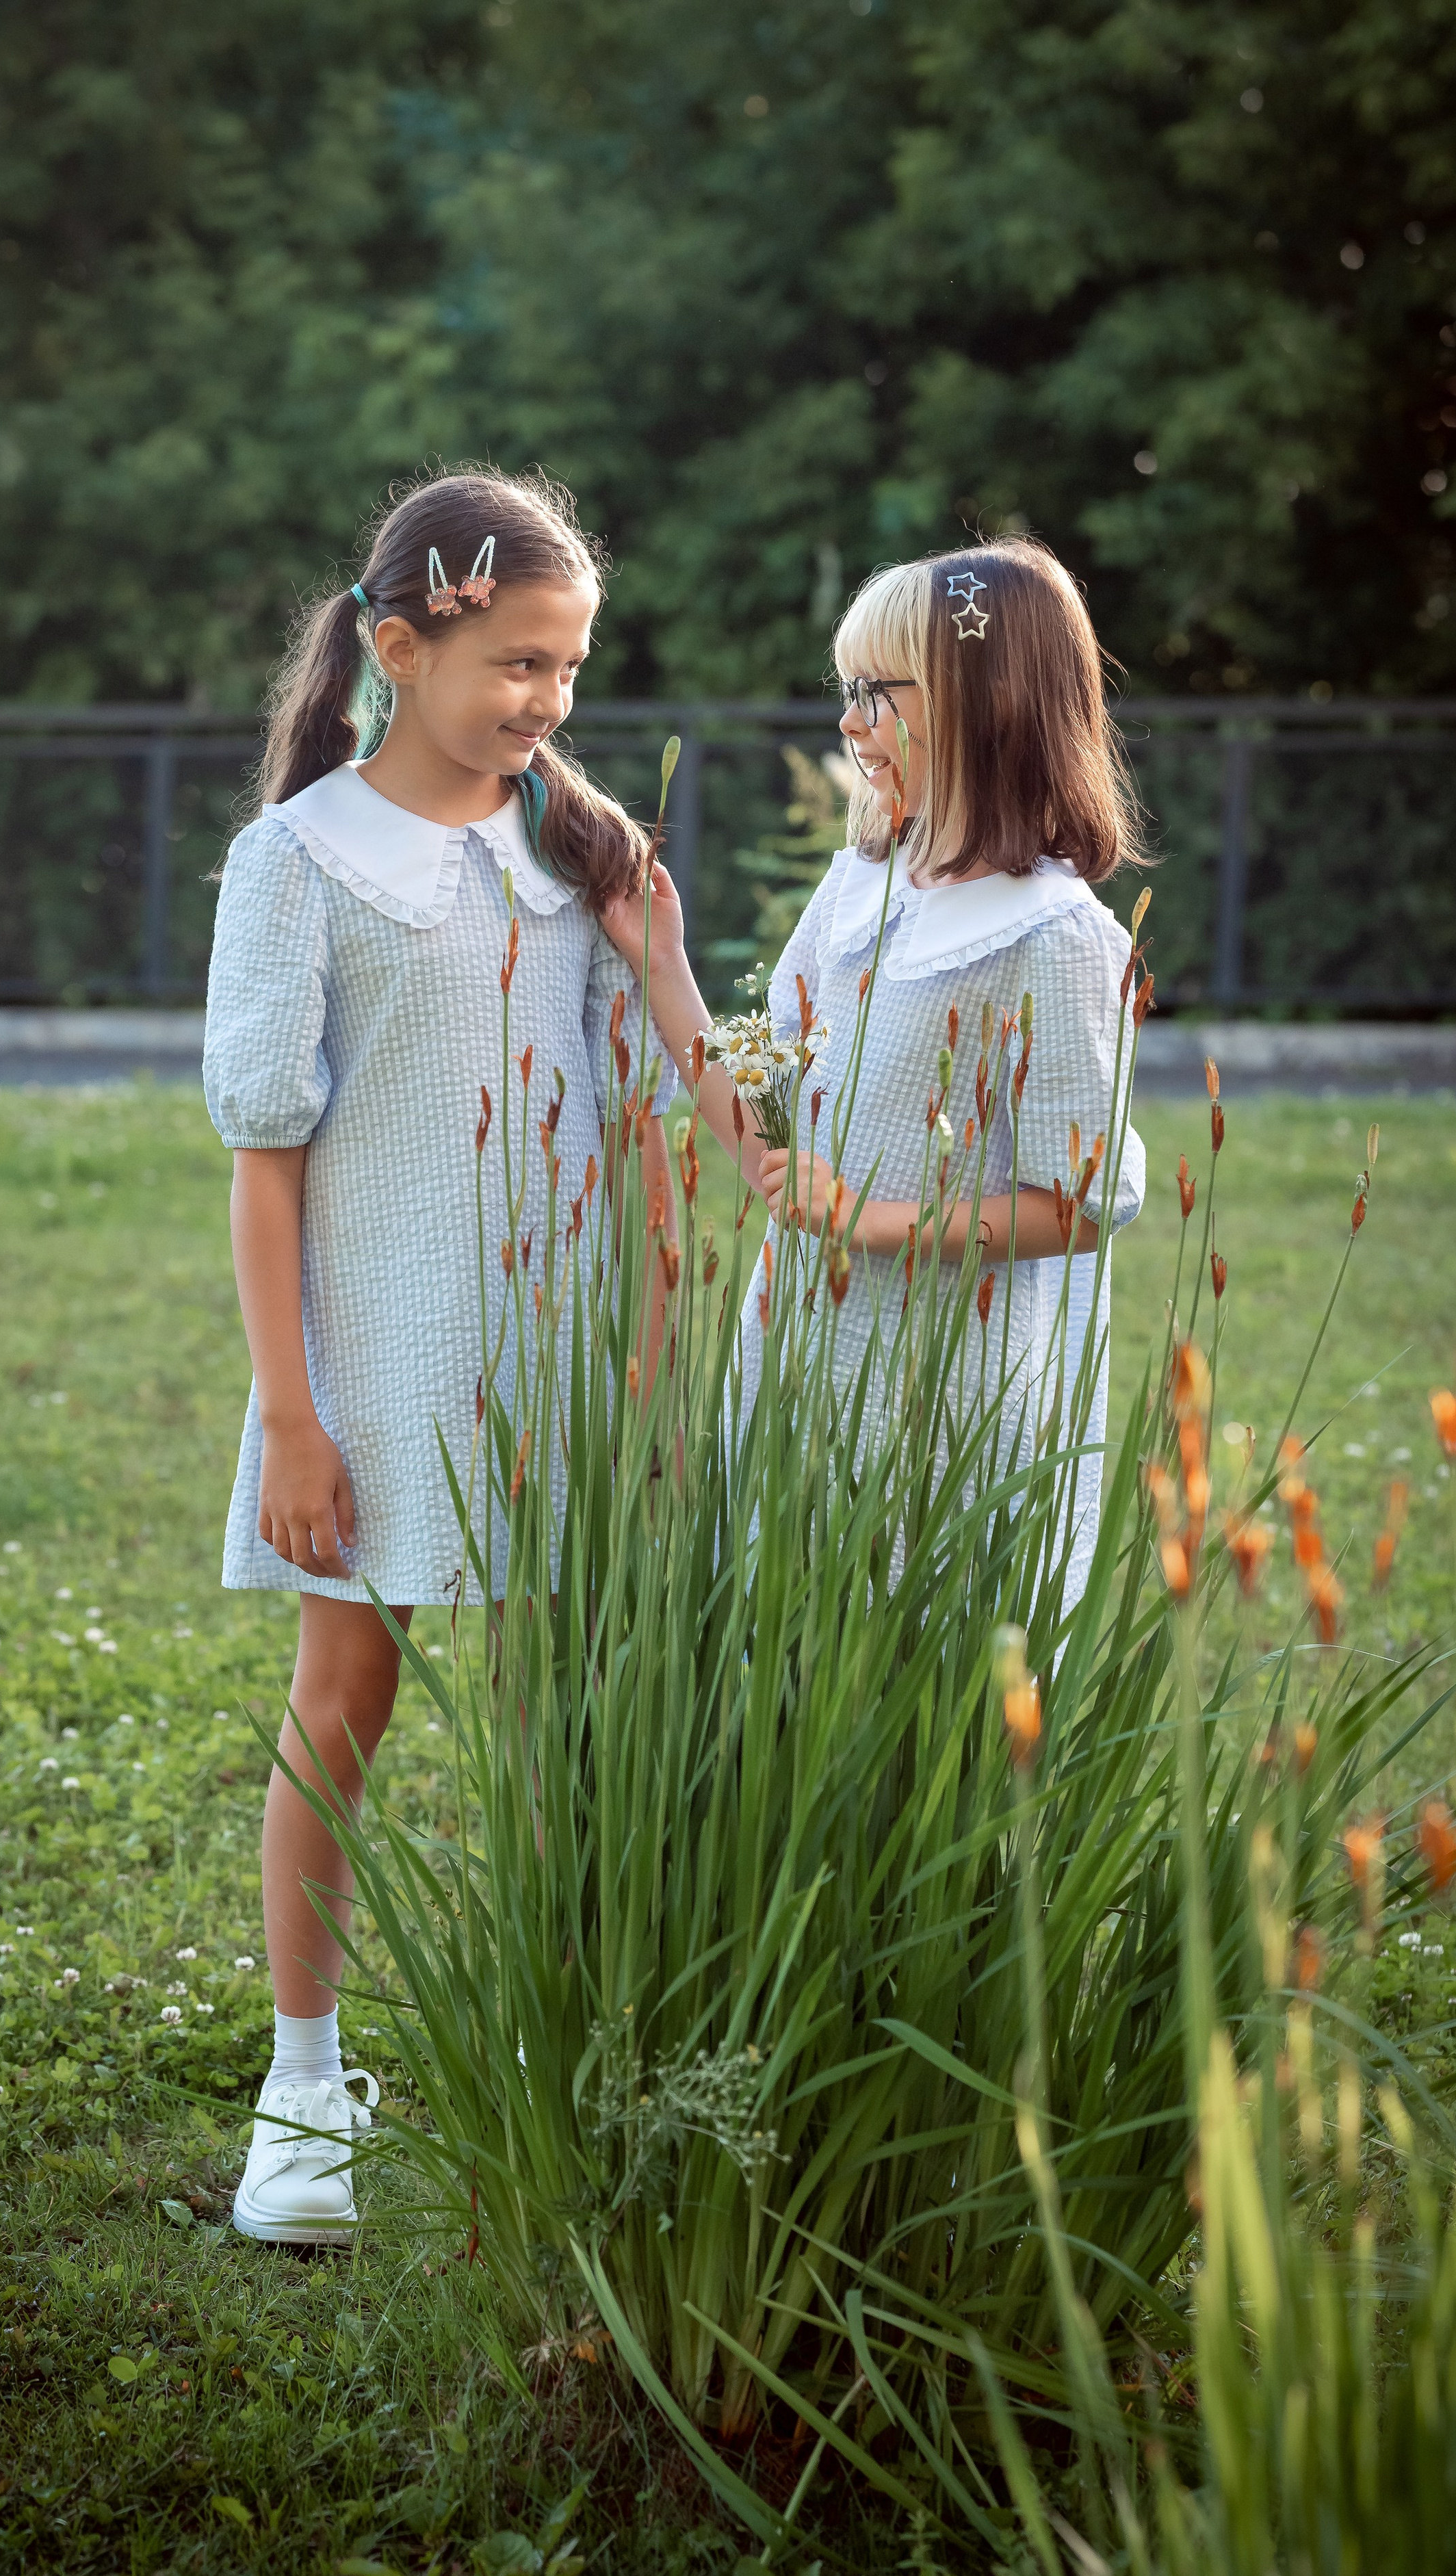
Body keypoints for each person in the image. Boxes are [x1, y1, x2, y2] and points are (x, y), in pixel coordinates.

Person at [203, 467, 673, 2244]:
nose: (546, 701)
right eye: (516, 664)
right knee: (348, 1699)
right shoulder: (298, 861)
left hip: (559, 1364)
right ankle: (304, 2091)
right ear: (401, 648)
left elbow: (644, 1109)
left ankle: (565, 2067)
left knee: (567, 1722)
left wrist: (641, 1370)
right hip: (372, 1366)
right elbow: (266, 1164)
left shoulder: (570, 857)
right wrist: (292, 1419)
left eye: (569, 667)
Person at [602, 536, 1147, 1604]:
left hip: (944, 1401)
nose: (848, 721)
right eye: (845, 690)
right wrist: (661, 964)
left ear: (981, 702)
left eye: (875, 693)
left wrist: (868, 1221)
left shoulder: (1057, 939)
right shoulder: (863, 885)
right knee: (783, 1659)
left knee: (913, 1675)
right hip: (802, 1355)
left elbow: (1082, 1206)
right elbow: (773, 1138)